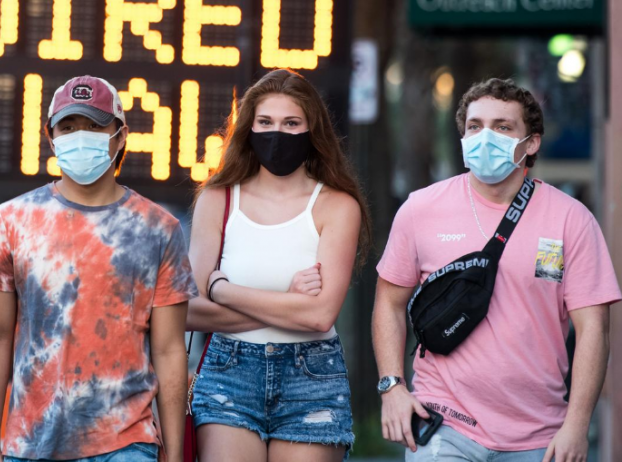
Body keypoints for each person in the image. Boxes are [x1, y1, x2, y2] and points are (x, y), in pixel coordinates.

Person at [373, 77, 621, 461]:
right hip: (444, 424)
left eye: (502, 127)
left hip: (539, 435)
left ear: (531, 142)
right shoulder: (420, 209)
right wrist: (392, 387)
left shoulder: (571, 220)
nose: (485, 137)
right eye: (475, 127)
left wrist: (576, 425)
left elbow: (594, 329)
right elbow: (388, 303)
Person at [0, 75, 198, 462]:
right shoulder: (11, 220)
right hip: (31, 443)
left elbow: (168, 349)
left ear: (121, 136)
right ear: (51, 137)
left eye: (95, 126)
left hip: (126, 444)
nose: (81, 136)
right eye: (69, 126)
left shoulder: (159, 229)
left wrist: (175, 454)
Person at [186, 68, 371, 462]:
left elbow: (320, 316)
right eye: (265, 122)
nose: (277, 134)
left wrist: (224, 291)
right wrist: (287, 302)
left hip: (312, 378)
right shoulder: (218, 199)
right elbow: (188, 310)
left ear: (312, 130)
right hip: (228, 371)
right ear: (248, 128)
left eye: (291, 123)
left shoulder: (337, 206)